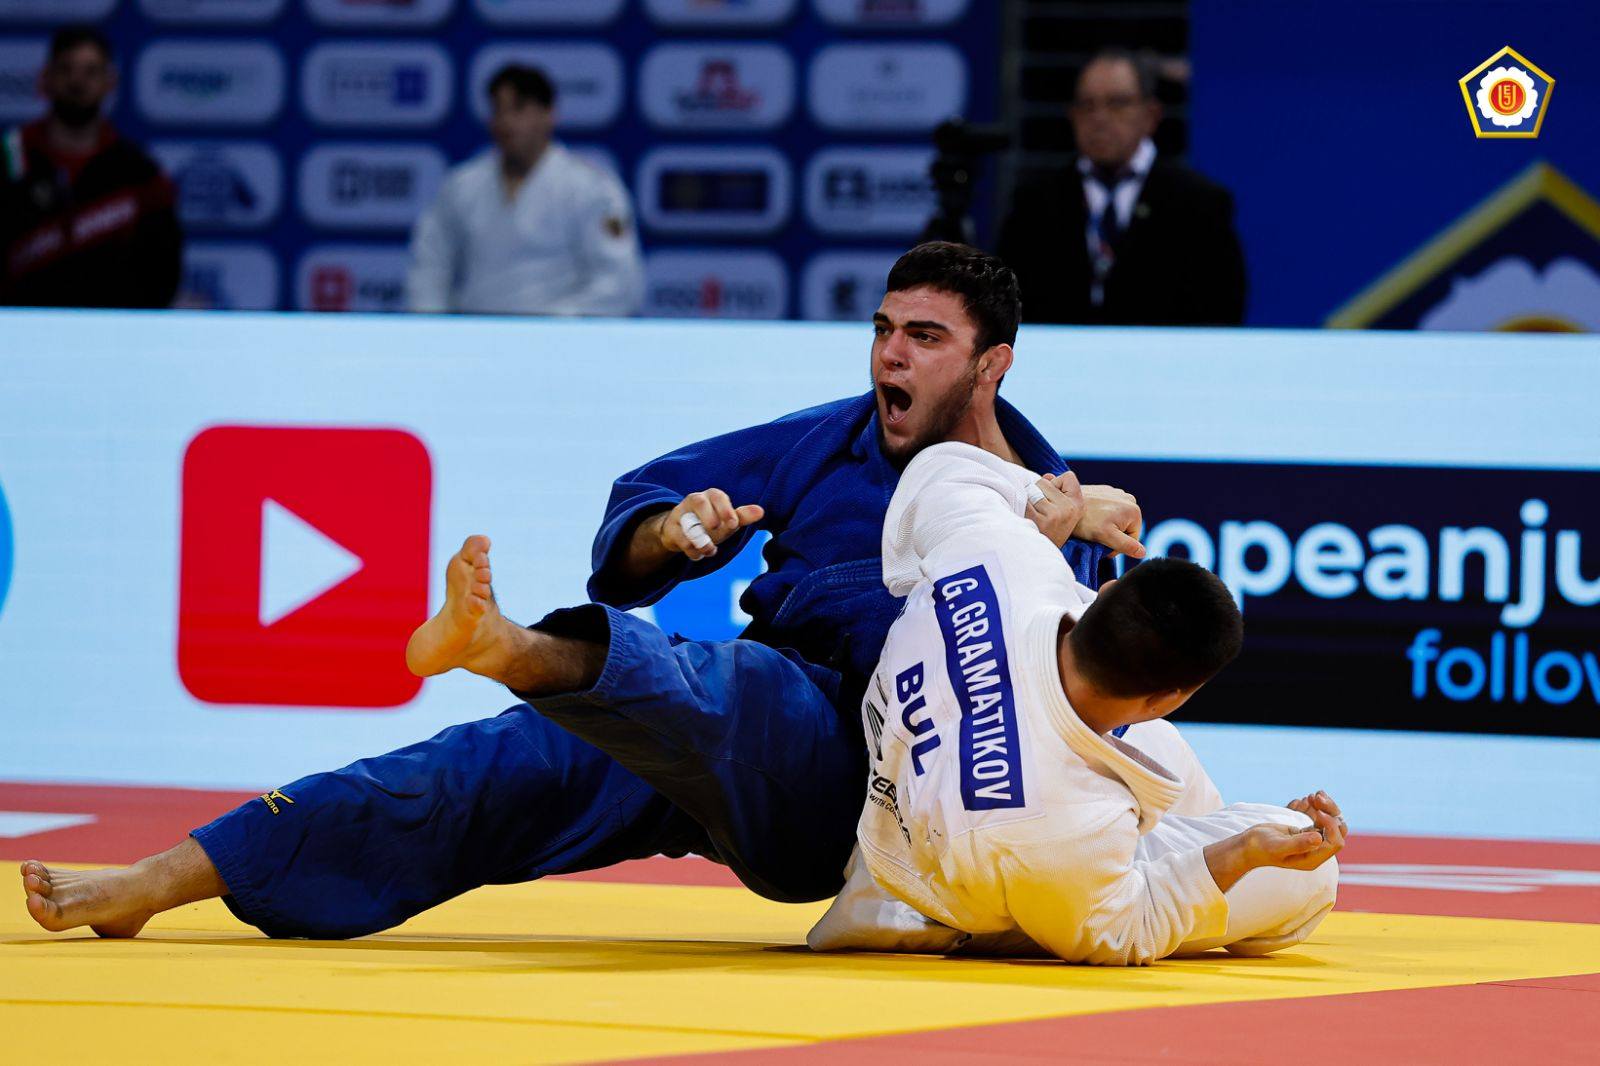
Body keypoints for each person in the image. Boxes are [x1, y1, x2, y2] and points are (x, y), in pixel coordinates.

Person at [20, 242, 1146, 940]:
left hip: (866, 792)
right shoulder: (823, 443)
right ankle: (160, 879)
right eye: (882, 330)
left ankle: (524, 649)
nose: (889, 359)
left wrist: (1054, 545)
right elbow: (640, 506)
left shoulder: (1056, 510)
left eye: (925, 339)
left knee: (738, 684)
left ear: (993, 363)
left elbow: (1081, 714)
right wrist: (671, 532)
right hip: (730, 728)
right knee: (483, 767)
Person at [806, 444, 1343, 964]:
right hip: (922, 885)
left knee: (1174, 770)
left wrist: (1067, 505)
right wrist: (1239, 854)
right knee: (1309, 874)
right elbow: (1125, 930)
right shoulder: (1066, 822)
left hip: (932, 777)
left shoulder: (1008, 556)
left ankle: (1232, 835)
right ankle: (922, 924)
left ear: (1104, 595)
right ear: (1166, 699)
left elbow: (942, 468)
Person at [995, 48, 1246, 326]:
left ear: (1151, 115)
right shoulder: (1035, 203)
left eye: (1117, 103)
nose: (1099, 118)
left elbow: (1222, 311)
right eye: (1087, 105)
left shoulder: (1200, 203)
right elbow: (1007, 308)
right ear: (1072, 116)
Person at [406, 64, 643, 317]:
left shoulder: (590, 187)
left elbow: (619, 283)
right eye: (498, 110)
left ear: (549, 114)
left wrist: (553, 325)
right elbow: (429, 266)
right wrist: (432, 327)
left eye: (519, 108)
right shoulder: (462, 185)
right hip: (473, 339)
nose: (506, 122)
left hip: (559, 342)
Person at [0, 25, 181, 309]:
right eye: (66, 69)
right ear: (45, 79)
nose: (77, 82)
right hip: (17, 331)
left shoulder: (138, 172)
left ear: (110, 82)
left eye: (91, 72)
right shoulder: (10, 157)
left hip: (110, 336)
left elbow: (163, 273)